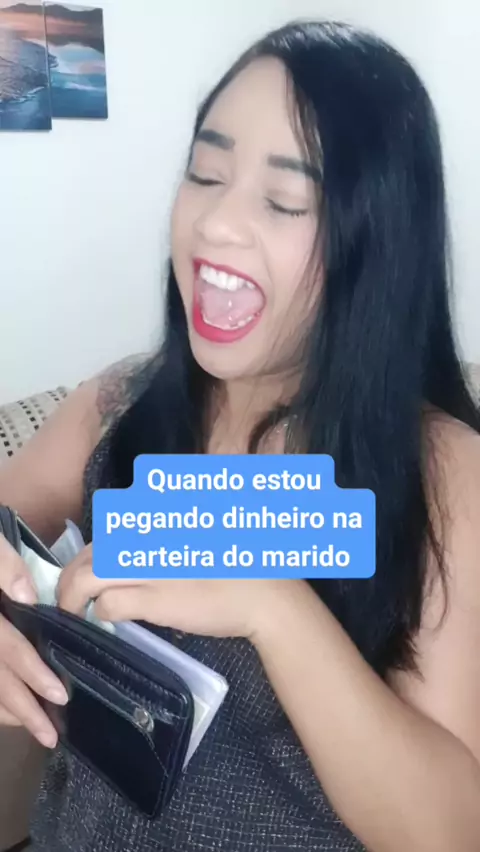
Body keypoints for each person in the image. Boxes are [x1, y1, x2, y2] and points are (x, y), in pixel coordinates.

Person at [0, 19, 480, 852]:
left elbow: (449, 831)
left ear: (378, 244)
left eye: (285, 200)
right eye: (206, 173)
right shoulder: (117, 404)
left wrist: (273, 608)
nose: (216, 224)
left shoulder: (443, 475)